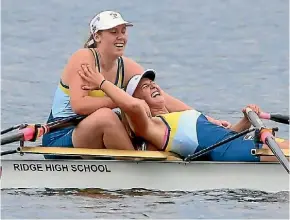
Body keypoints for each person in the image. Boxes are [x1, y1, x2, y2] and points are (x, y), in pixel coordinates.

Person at [42, 10, 231, 158]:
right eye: (113, 32)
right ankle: (136, 166)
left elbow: (161, 97)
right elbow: (80, 105)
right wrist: (123, 101)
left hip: (90, 135)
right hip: (60, 136)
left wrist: (205, 118)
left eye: (123, 31)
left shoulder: (126, 65)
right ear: (97, 37)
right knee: (107, 116)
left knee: (150, 115)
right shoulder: (83, 58)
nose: (121, 37)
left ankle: (152, 153)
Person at [78, 65, 289, 162]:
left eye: (152, 82)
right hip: (232, 154)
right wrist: (102, 83)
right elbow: (132, 108)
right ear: (137, 100)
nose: (152, 86)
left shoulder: (182, 115)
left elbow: (225, 135)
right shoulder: (153, 126)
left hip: (237, 142)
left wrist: (245, 118)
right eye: (144, 87)